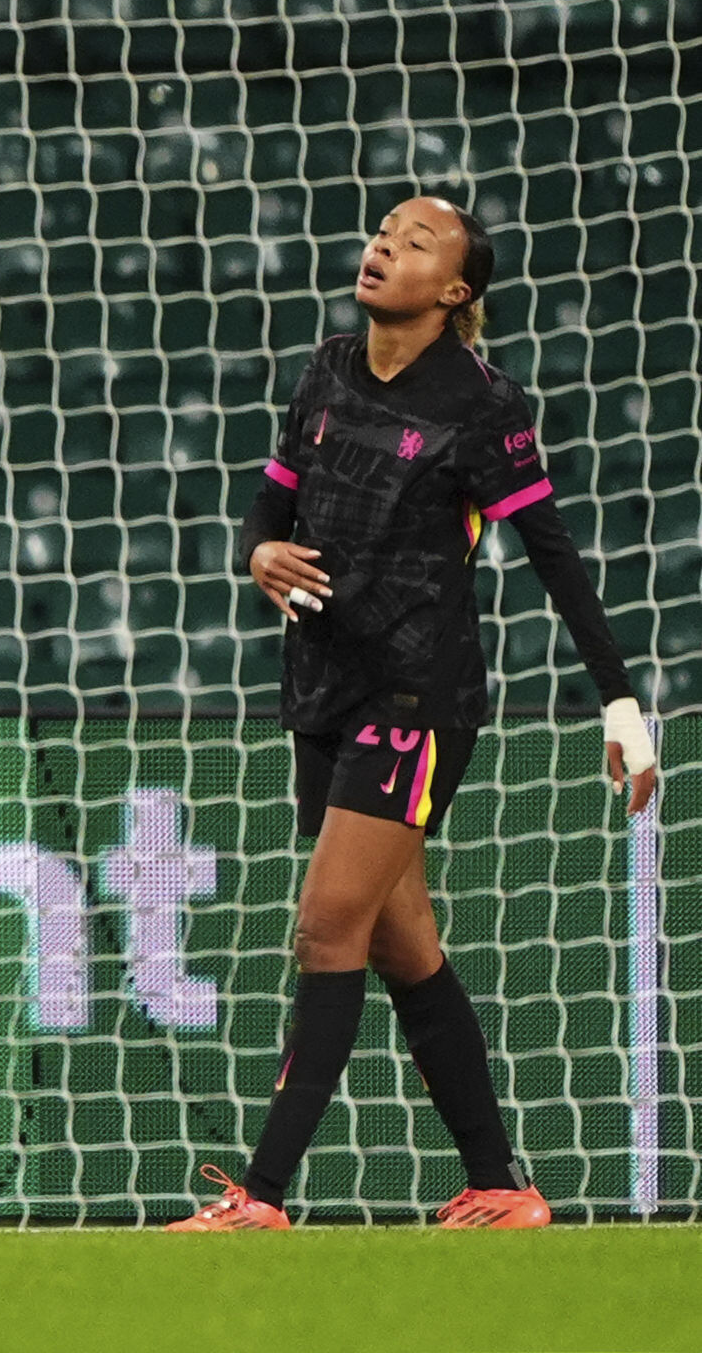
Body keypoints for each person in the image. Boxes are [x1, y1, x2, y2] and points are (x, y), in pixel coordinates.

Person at [171, 194, 660, 1232]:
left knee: (326, 926)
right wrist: (256, 552)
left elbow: (553, 555)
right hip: (320, 686)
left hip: (418, 698)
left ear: (455, 293)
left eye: (419, 241)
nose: (387, 244)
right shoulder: (330, 368)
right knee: (404, 944)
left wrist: (619, 702)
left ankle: (260, 1197)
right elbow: (273, 501)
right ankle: (502, 1185)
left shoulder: (482, 405)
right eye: (386, 230)